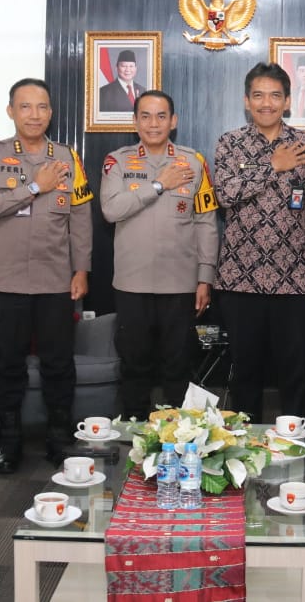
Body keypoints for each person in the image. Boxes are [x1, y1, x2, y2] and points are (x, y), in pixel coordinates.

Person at [0, 78, 93, 473]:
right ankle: (8, 442)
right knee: (7, 363)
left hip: (55, 279)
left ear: (51, 112)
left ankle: (59, 437)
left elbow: (80, 219)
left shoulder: (67, 158)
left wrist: (81, 269)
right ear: (11, 111)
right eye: (25, 106)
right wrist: (34, 186)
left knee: (58, 362)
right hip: (7, 281)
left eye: (42, 107)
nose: (34, 114)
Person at [213, 62, 305, 423]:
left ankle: (296, 442)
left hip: (294, 278)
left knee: (293, 371)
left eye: (275, 96)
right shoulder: (230, 143)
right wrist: (272, 167)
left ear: (288, 101)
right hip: (240, 278)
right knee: (244, 371)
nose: (267, 103)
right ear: (246, 101)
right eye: (259, 95)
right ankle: (242, 445)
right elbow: (225, 194)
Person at [100, 90, 220, 418]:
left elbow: (206, 222)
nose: (153, 124)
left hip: (180, 284)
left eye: (161, 116)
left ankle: (178, 437)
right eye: (146, 116)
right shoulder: (117, 161)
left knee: (178, 367)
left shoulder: (193, 162)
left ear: (173, 121)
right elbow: (111, 210)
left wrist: (205, 277)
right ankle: (134, 434)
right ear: (135, 121)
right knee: (134, 366)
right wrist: (158, 185)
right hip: (132, 283)